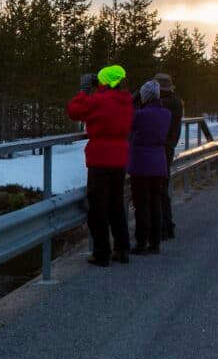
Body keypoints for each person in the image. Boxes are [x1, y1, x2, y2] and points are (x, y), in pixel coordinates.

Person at [67, 65, 134, 266]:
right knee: (116, 205)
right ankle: (122, 249)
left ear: (103, 82)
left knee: (98, 208)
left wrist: (83, 91)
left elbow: (74, 111)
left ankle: (101, 252)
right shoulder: (127, 100)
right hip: (120, 157)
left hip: (100, 159)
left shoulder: (98, 100)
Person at [128, 80, 171, 254]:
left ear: (144, 96)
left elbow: (128, 122)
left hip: (141, 164)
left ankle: (141, 242)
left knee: (141, 204)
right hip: (159, 162)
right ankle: (155, 242)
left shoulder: (140, 115)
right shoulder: (166, 114)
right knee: (155, 203)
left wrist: (133, 100)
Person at [155, 73, 183, 239]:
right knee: (162, 187)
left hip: (160, 149)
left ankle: (164, 226)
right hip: (169, 147)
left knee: (158, 189)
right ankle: (167, 224)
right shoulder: (176, 102)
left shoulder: (163, 103)